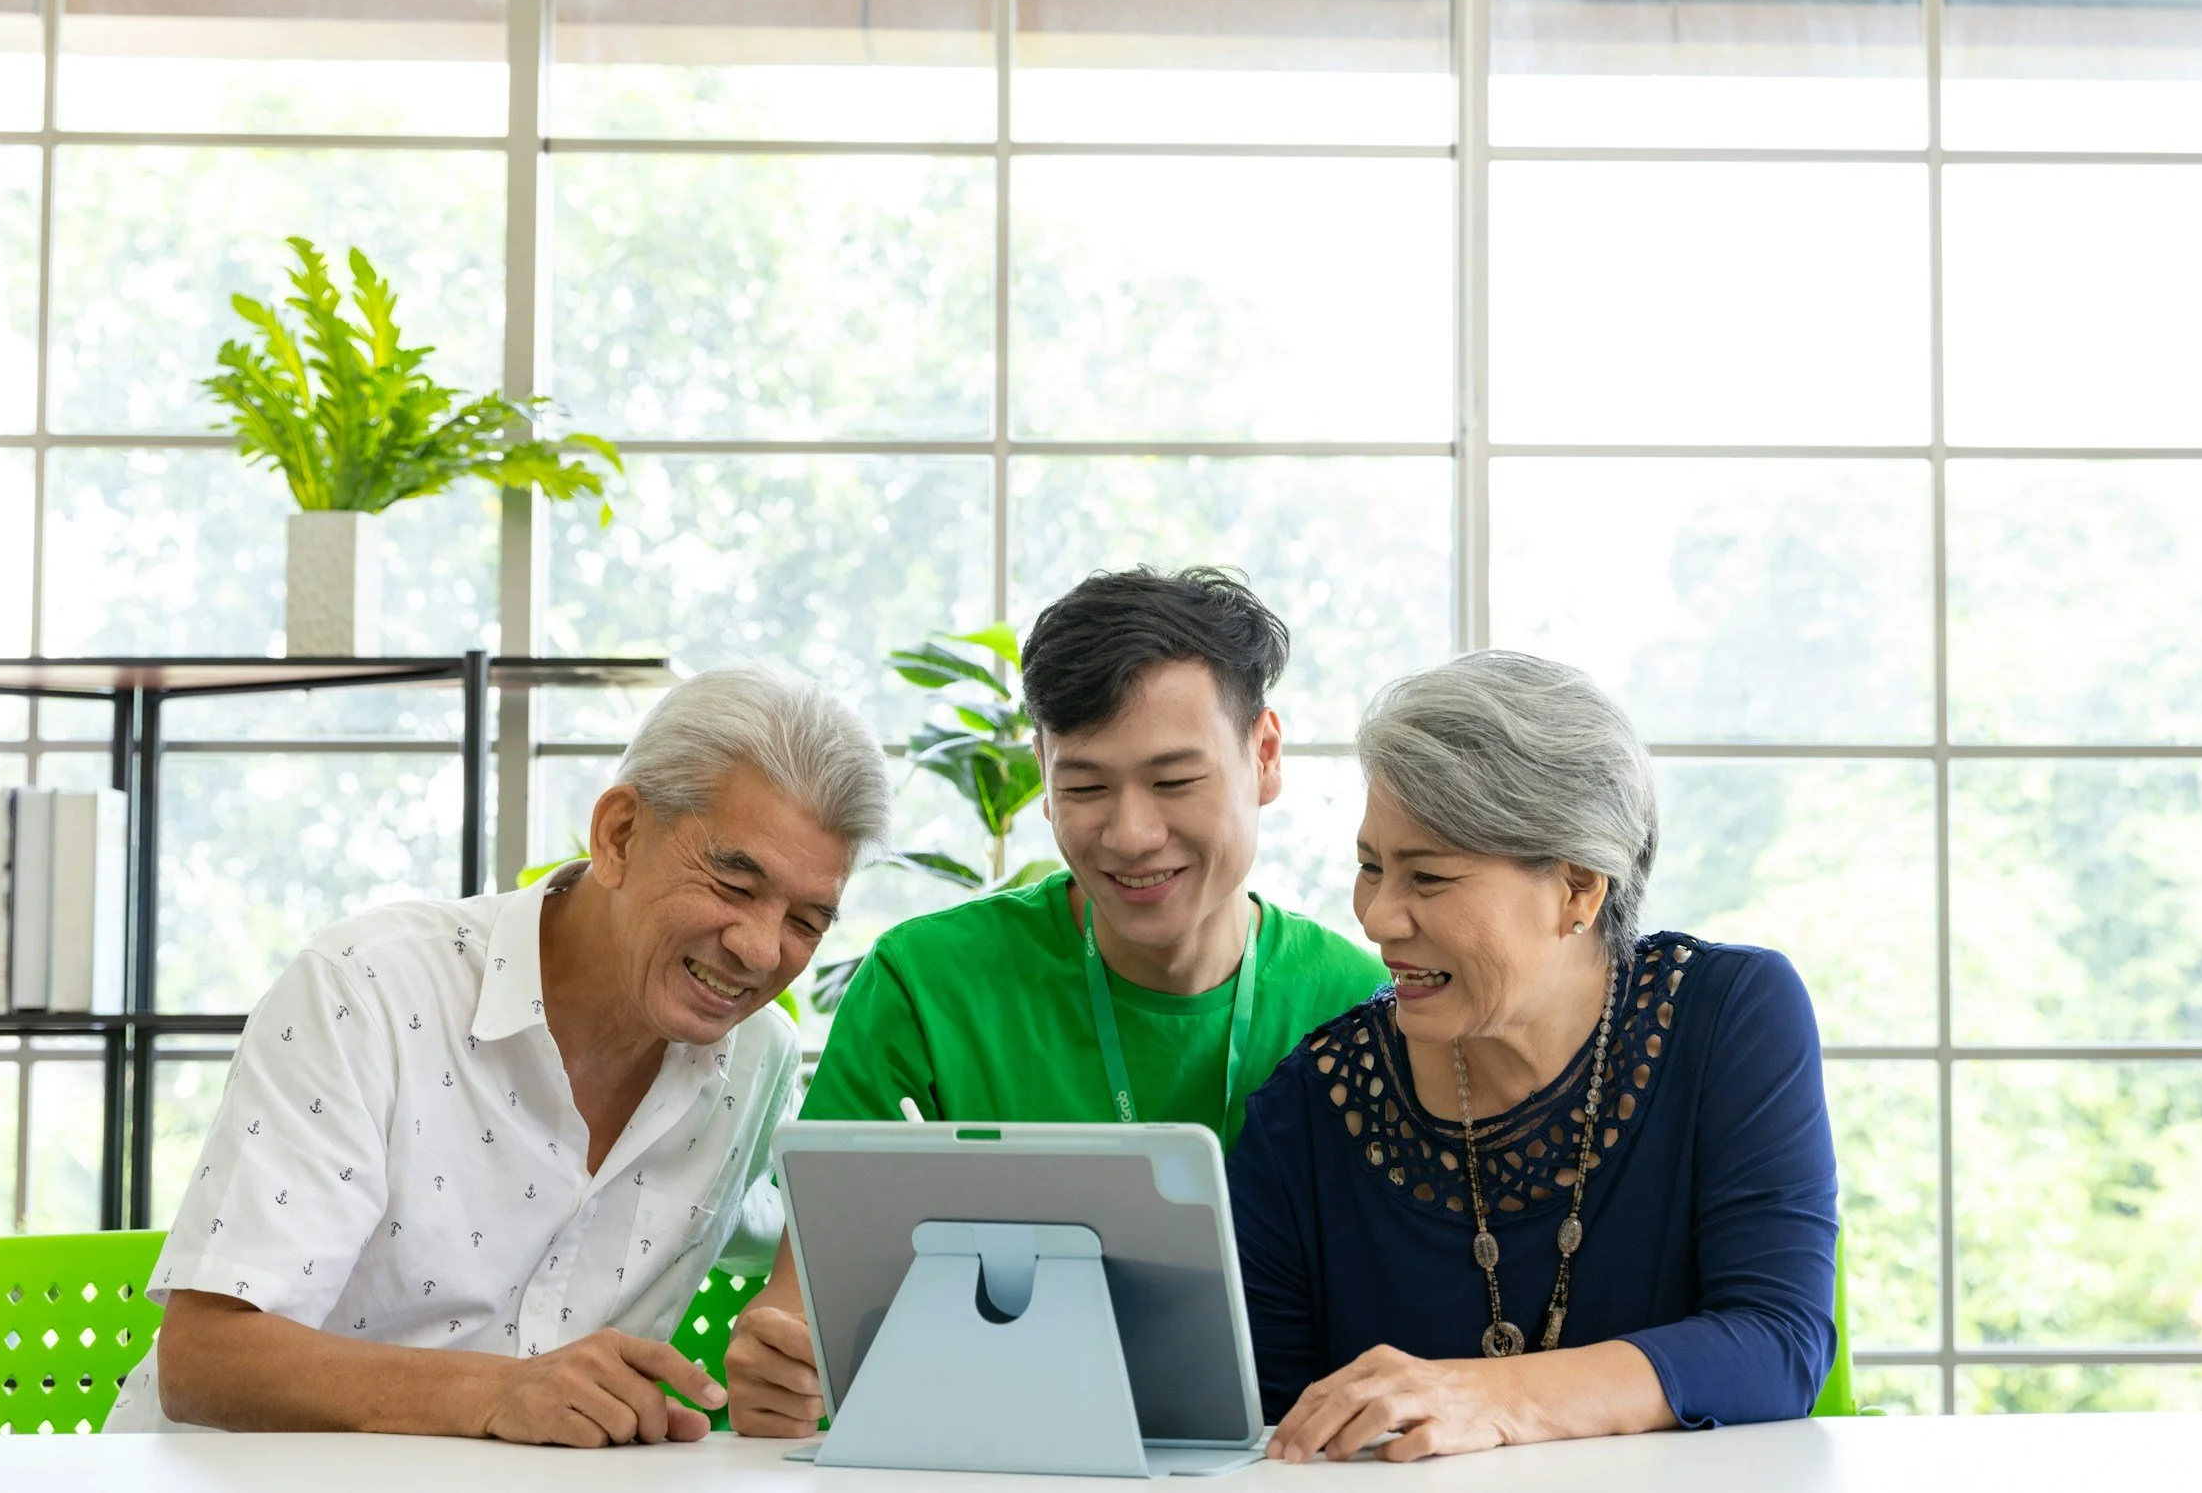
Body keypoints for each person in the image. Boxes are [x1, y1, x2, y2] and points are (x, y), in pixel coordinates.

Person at [107, 666, 890, 1445]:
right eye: (732, 884)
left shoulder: (755, 1061)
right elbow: (205, 1358)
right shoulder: (370, 988)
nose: (760, 949)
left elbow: (813, 1219)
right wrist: (498, 1392)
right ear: (619, 834)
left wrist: (787, 1348)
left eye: (808, 921)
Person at [724, 566, 1389, 1438]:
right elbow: (804, 1306)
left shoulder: (1363, 1005)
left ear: (1264, 755)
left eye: (1175, 780)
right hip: (986, 1453)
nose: (1130, 834)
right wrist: (783, 1367)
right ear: (1042, 771)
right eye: (1083, 786)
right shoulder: (928, 984)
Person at [1228, 651, 1838, 1462]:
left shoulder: (1730, 1017)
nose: (1378, 916)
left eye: (1430, 876)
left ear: (1579, 889)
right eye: (1372, 865)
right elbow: (1259, 1438)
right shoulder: (1307, 1110)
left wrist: (1491, 1395)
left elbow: (1776, 1338)